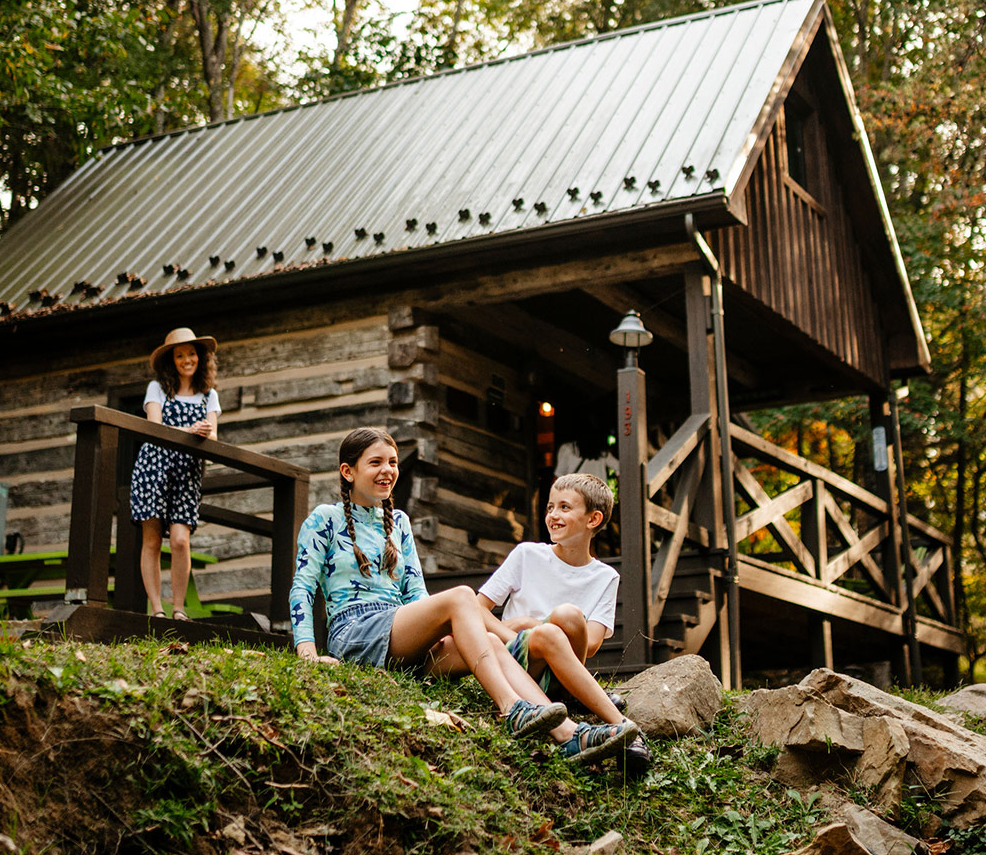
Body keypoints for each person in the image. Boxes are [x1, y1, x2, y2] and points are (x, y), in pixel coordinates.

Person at [289, 427, 641, 767]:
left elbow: (416, 594)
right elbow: (302, 587)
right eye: (376, 462)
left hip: (403, 640)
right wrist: (307, 653)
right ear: (348, 472)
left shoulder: (399, 522)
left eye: (394, 462)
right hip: (356, 632)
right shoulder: (326, 518)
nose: (388, 471)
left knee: (489, 638)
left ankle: (569, 735)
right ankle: (511, 708)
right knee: (461, 596)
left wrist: (443, 634)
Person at [474, 473, 652, 777]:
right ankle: (622, 727)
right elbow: (478, 609)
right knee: (553, 625)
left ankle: (585, 704)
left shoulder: (605, 576)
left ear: (593, 519)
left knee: (567, 616)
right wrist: (527, 629)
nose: (553, 515)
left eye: (564, 508)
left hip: (563, 667)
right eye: (549, 508)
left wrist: (542, 624)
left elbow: (592, 642)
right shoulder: (528, 554)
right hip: (518, 663)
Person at [130, 327, 220, 619]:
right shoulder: (157, 388)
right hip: (154, 466)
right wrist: (191, 431)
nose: (186, 360)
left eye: (191, 353)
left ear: (200, 357)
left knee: (181, 540)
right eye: (180, 355)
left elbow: (213, 438)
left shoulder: (210, 396)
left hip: (187, 471)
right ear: (171, 360)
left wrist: (205, 433)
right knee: (153, 540)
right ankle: (157, 608)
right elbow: (155, 428)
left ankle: (178, 608)